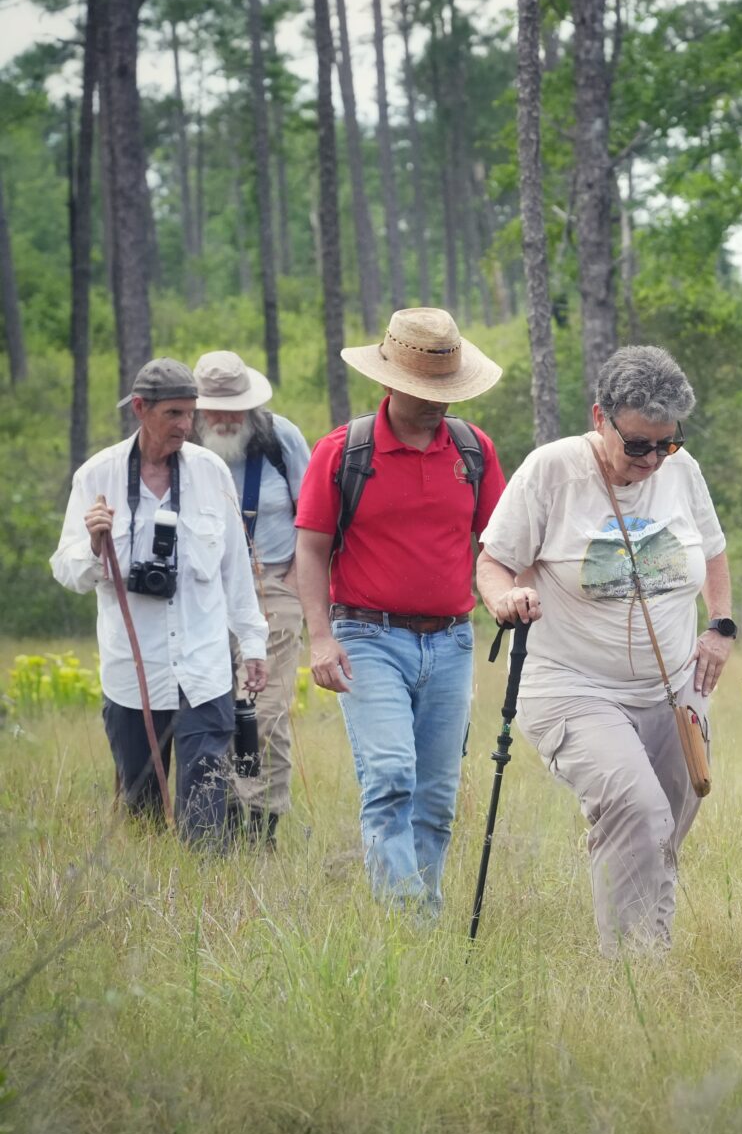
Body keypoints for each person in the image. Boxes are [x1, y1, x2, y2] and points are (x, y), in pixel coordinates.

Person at [477, 346, 734, 958]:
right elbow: (491, 563)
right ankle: (630, 973)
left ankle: (652, 954)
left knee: (667, 823)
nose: (652, 460)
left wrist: (720, 627)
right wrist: (505, 598)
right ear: (600, 417)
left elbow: (713, 550)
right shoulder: (551, 472)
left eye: (665, 444)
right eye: (638, 445)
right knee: (636, 807)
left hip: (674, 685)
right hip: (573, 684)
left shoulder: (682, 468)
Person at [294, 307, 505, 913]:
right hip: (366, 635)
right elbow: (310, 551)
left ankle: (421, 912)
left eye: (445, 389)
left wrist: (510, 593)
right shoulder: (344, 451)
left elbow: (496, 543)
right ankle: (410, 922)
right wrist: (320, 639)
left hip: (451, 642)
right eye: (423, 390)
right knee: (390, 777)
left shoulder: (472, 449)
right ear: (389, 382)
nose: (436, 401)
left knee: (436, 798)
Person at [50, 358, 268, 845]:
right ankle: (154, 903)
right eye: (173, 414)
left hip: (205, 670)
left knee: (206, 806)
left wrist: (253, 644)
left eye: (190, 414)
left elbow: (235, 568)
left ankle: (207, 899)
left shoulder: (211, 472)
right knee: (142, 808)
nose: (186, 426)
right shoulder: (97, 476)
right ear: (141, 409)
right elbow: (66, 571)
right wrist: (93, 544)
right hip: (135, 673)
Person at [193, 350, 311, 848]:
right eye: (214, 409)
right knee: (209, 711)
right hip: (200, 596)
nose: (223, 419)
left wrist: (298, 579)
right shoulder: (183, 444)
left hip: (273, 586)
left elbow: (313, 515)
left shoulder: (280, 438)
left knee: (262, 713)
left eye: (233, 408)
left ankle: (259, 828)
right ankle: (212, 818)